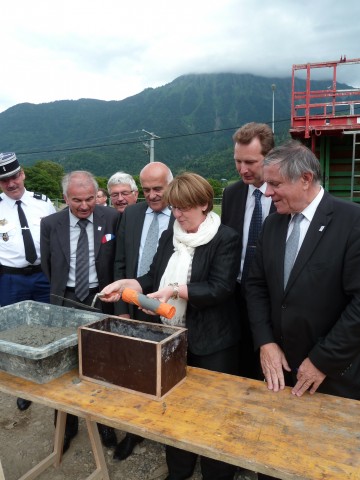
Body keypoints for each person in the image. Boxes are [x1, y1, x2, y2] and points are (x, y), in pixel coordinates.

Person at [102, 173, 241, 480]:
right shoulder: (171, 235)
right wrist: (127, 285)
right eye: (174, 207)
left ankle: (217, 473)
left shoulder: (225, 237)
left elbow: (220, 288)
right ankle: (179, 469)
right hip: (173, 335)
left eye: (184, 208)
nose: (177, 215)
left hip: (213, 341)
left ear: (204, 204)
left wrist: (176, 290)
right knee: (175, 405)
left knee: (212, 411)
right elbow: (153, 277)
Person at [246, 140, 360, 479]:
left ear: (306, 179)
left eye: (275, 184)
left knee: (326, 465)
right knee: (274, 456)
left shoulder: (352, 222)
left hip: (334, 375)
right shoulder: (273, 224)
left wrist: (323, 360)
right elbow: (255, 286)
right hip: (278, 369)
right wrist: (265, 342)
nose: (266, 193)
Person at [40, 170, 120, 454]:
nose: (85, 206)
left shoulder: (111, 217)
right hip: (67, 300)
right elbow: (48, 267)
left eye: (89, 199)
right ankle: (65, 426)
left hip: (102, 298)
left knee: (103, 364)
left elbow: (116, 260)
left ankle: (104, 424)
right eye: (77, 201)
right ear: (65, 198)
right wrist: (65, 292)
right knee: (64, 367)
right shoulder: (50, 223)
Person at [111, 161, 174, 460]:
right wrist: (123, 308)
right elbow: (121, 262)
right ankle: (134, 431)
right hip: (135, 306)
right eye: (146, 190)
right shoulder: (133, 214)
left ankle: (171, 435)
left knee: (170, 371)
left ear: (170, 186)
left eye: (157, 189)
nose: (151, 195)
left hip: (171, 309)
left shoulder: (182, 212)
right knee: (135, 371)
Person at [0, 152, 56, 412]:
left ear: (22, 174)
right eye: (4, 180)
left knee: (50, 323)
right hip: (11, 279)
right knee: (17, 331)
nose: (11, 184)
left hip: (43, 275)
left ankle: (51, 372)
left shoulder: (43, 204)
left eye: (14, 176)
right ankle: (25, 385)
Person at [221, 122, 275, 379]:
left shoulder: (283, 195)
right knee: (238, 362)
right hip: (236, 293)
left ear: (269, 157)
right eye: (238, 161)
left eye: (251, 162)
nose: (243, 169)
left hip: (271, 297)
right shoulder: (231, 194)